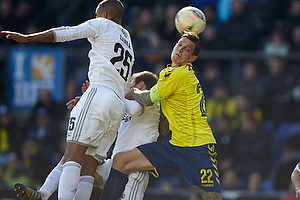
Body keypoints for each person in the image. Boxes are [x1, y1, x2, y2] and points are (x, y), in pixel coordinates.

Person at [2, 0, 135, 199]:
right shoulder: (128, 39)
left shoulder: (102, 24)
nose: (96, 19)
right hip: (116, 104)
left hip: (99, 93)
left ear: (104, 15)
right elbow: (121, 83)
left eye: (97, 15)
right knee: (88, 166)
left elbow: (66, 32)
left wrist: (29, 38)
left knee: (73, 155)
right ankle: (45, 194)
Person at [99, 32, 222, 200]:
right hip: (174, 145)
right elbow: (165, 118)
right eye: (180, 44)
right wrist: (157, 144)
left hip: (197, 147)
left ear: (192, 58)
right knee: (120, 161)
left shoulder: (180, 75)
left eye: (187, 49)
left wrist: (133, 91)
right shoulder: (168, 73)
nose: (180, 49)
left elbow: (147, 99)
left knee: (211, 197)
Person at [14, 71, 168, 200]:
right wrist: (89, 102)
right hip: (115, 164)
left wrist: (109, 98)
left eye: (130, 83)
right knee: (75, 157)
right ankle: (43, 193)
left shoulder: (150, 101)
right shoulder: (124, 107)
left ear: (140, 85)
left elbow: (134, 109)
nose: (127, 87)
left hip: (135, 169)